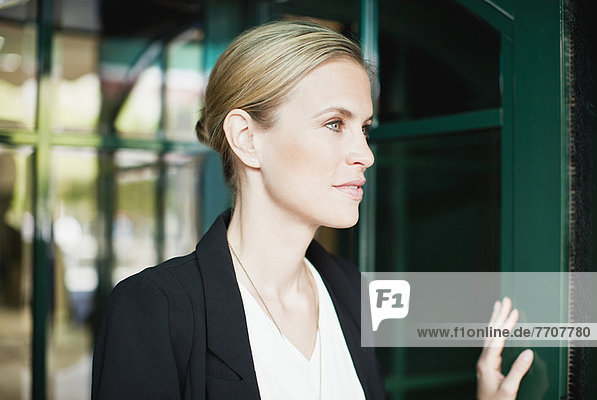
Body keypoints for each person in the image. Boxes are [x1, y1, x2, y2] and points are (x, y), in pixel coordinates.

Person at [91, 20, 532, 399]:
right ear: (246, 138)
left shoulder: (348, 290)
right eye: (334, 123)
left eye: (363, 128)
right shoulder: (154, 309)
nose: (365, 153)